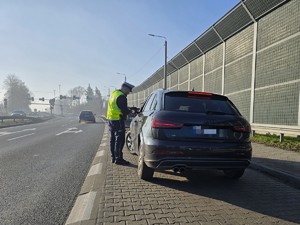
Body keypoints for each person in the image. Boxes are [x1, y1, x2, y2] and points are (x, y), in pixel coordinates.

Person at [106, 82, 135, 165]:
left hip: (111, 119)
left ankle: (113, 157)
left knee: (113, 139)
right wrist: (131, 111)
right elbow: (124, 110)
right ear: (125, 88)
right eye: (129, 90)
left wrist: (128, 108)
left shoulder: (114, 94)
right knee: (120, 140)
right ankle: (119, 159)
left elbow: (118, 106)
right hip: (118, 120)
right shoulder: (121, 96)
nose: (129, 93)